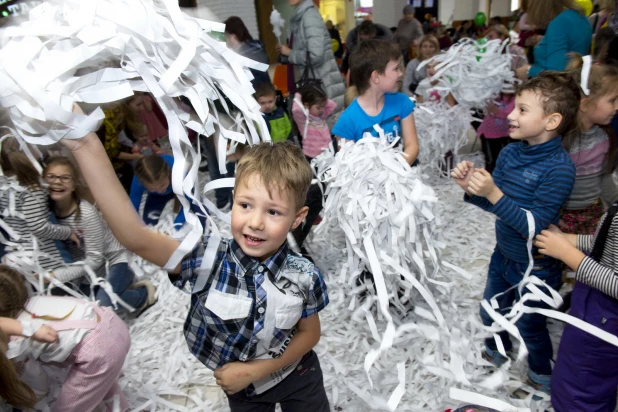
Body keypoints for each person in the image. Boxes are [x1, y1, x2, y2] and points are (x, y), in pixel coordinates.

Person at [60, 109, 331, 410]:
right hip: (242, 390)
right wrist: (84, 144)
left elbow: (310, 333)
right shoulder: (208, 260)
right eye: (245, 205)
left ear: (298, 218)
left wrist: (257, 370)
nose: (255, 222)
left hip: (300, 376)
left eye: (273, 212)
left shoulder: (304, 275)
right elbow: (135, 237)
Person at [451, 72, 580, 395]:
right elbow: (496, 206)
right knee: (491, 309)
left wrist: (494, 194)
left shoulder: (560, 168)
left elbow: (534, 226)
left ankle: (540, 374)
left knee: (530, 324)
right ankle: (495, 351)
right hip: (502, 255)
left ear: (551, 121)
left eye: (522, 110)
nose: (510, 114)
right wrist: (473, 189)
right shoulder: (509, 153)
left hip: (536, 267)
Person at [0, 264, 131, 411]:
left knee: (68, 408)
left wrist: (31, 399)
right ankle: (121, 408)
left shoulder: (16, 338)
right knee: (101, 381)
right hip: (113, 323)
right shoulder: (39, 300)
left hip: (99, 352)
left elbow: (37, 380)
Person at [45, 157, 156, 314]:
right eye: (51, 177)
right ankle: (119, 291)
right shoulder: (47, 216)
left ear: (74, 184)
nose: (57, 182)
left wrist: (55, 275)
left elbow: (95, 260)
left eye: (65, 178)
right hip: (88, 273)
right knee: (85, 309)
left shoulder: (86, 213)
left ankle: (142, 294)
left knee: (103, 305)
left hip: (116, 261)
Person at [534, 206, 618, 410]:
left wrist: (567, 253)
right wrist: (569, 240)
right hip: (592, 304)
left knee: (582, 384)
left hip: (606, 320)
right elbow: (607, 242)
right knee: (577, 372)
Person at [0, 139, 81, 277]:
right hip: (47, 259)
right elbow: (38, 226)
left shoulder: (4, 185)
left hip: (19, 259)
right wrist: (67, 232)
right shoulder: (32, 186)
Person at [333, 39, 420, 165]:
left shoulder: (402, 102)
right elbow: (348, 168)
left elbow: (412, 146)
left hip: (402, 175)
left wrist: (396, 173)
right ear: (376, 77)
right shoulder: (347, 122)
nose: (400, 73)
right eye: (395, 69)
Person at [559, 55, 618, 236]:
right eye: (612, 100)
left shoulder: (604, 137)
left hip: (593, 213)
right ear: (585, 104)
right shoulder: (559, 142)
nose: (617, 107)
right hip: (559, 217)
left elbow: (604, 176)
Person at [276, 0, 345, 113]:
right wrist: (286, 53)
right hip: (312, 83)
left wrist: (289, 52)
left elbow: (315, 56)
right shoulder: (299, 16)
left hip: (320, 84)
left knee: (324, 126)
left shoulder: (309, 16)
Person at [477, 25, 529, 173]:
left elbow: (524, 76)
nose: (488, 40)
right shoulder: (488, 55)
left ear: (502, 37)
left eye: (492, 36)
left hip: (513, 99)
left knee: (511, 146)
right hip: (495, 100)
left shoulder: (516, 52)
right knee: (492, 151)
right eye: (487, 38)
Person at [516, 0, 592, 80]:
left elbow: (556, 74)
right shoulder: (580, 17)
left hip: (554, 88)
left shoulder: (560, 22)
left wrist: (529, 70)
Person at [129, 154, 195, 228]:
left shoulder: (180, 173)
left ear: (168, 173)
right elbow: (134, 203)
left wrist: (175, 227)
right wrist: (135, 224)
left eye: (162, 185)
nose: (160, 191)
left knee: (199, 209)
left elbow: (186, 206)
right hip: (156, 196)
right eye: (152, 189)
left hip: (181, 187)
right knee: (149, 221)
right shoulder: (138, 179)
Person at [292, 84, 337, 159]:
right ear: (306, 105)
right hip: (312, 156)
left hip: (327, 154)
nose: (322, 109)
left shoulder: (321, 116)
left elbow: (333, 105)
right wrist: (298, 94)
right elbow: (295, 110)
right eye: (318, 107)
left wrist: (323, 98)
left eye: (323, 106)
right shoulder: (304, 119)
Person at [224, 16, 271, 89]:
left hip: (258, 92)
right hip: (263, 90)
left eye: (226, 37)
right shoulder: (255, 47)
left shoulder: (249, 52)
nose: (225, 41)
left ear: (233, 36)